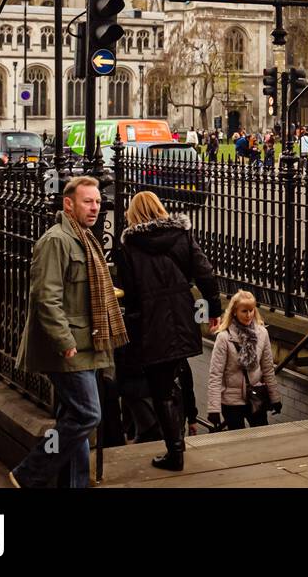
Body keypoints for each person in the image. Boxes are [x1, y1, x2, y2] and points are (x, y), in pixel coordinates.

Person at [9, 176, 128, 488]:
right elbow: (45, 297)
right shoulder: (56, 241)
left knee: (71, 419)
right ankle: (28, 473)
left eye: (98, 202)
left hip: (86, 342)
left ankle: (75, 484)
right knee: (88, 415)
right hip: (68, 346)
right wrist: (63, 341)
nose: (94, 208)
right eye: (88, 201)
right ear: (68, 203)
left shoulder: (84, 238)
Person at [115, 191, 222, 471]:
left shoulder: (128, 245)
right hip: (182, 315)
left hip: (151, 324)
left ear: (133, 214)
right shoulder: (182, 235)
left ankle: (175, 453)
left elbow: (131, 293)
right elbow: (205, 273)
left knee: (160, 389)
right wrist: (215, 310)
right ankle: (180, 442)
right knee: (174, 378)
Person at [207, 290, 281, 431]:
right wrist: (213, 409)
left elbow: (267, 368)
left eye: (251, 310)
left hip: (255, 395)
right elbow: (215, 375)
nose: (248, 315)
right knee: (238, 442)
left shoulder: (262, 333)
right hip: (232, 400)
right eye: (244, 311)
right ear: (234, 312)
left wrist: (275, 398)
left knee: (262, 436)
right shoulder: (224, 338)